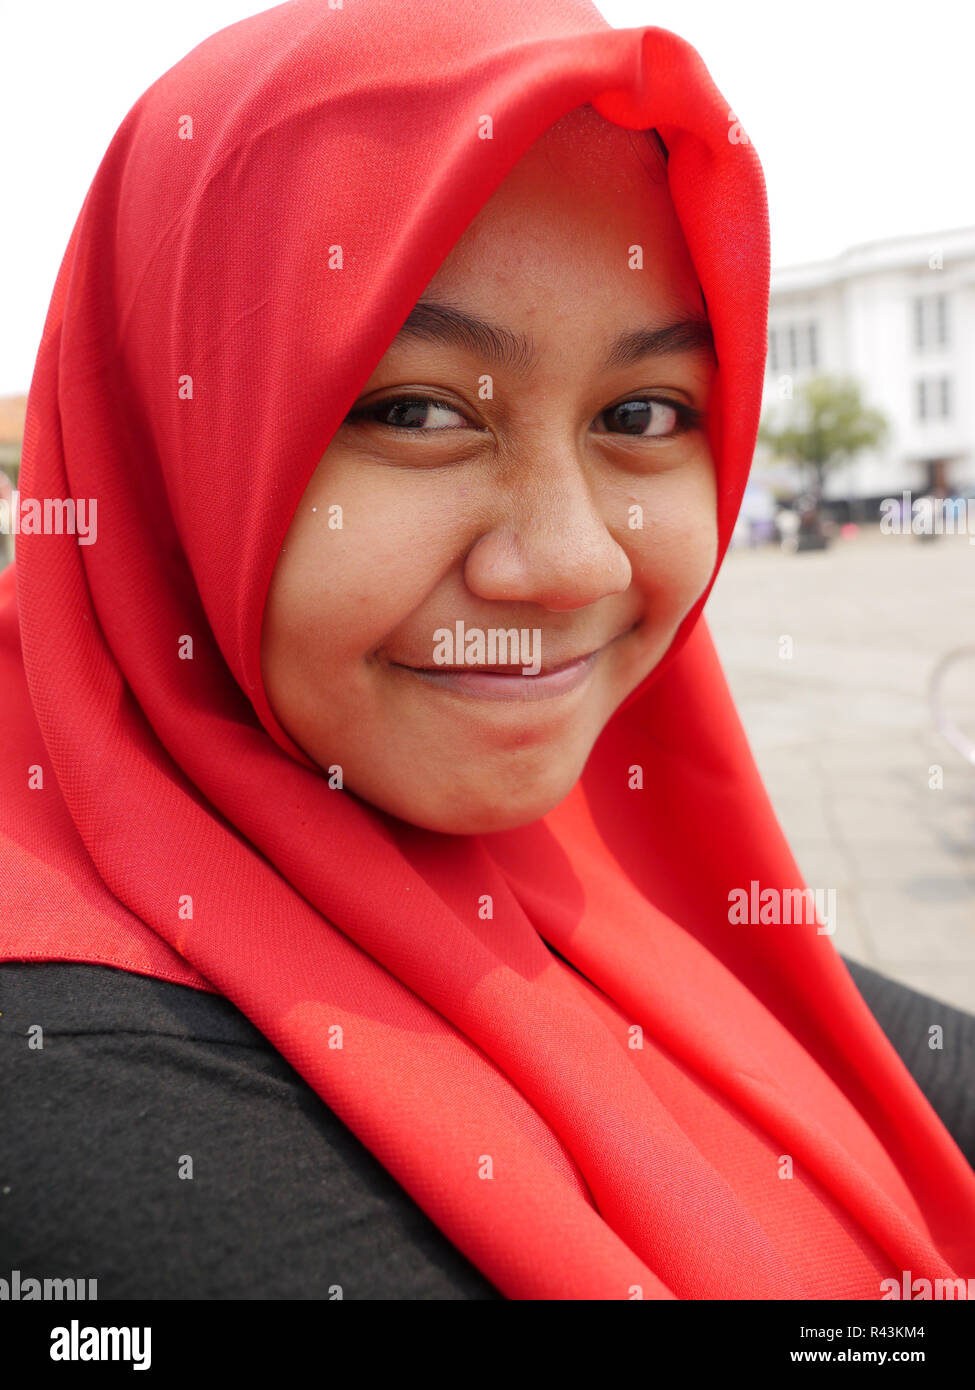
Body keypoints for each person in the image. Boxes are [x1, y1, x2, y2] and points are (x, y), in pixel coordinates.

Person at [1, 0, 973, 1301]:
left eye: (642, 412)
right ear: (172, 449)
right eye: (414, 409)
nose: (574, 561)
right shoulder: (89, 1082)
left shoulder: (564, 840)